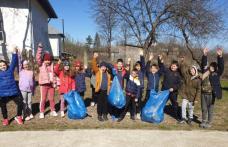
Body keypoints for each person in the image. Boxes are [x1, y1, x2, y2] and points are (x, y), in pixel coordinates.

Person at [200, 48, 224, 128]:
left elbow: (221, 66)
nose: (212, 67)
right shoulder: (205, 71)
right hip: (203, 93)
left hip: (212, 94)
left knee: (210, 109)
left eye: (214, 67)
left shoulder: (217, 73)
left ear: (216, 68)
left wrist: (220, 56)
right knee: (203, 108)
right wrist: (205, 55)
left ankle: (209, 122)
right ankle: (203, 121)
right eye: (211, 66)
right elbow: (203, 63)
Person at [0, 46, 23, 126]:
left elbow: (14, 61)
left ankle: (19, 116)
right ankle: (6, 119)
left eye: (4, 65)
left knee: (20, 103)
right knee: (3, 107)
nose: (3, 66)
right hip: (3, 94)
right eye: (1, 66)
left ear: (6, 65)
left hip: (13, 92)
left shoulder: (10, 69)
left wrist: (14, 52)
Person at [36, 43, 58, 119]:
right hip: (43, 85)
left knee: (51, 98)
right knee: (43, 99)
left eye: (49, 60)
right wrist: (40, 48)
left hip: (51, 85)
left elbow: (55, 75)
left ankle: (53, 110)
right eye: (46, 60)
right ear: (43, 60)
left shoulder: (52, 66)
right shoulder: (41, 65)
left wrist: (55, 83)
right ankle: (41, 112)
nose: (48, 61)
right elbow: (38, 58)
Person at [178, 55, 201, 125]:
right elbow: (182, 71)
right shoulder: (187, 76)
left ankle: (190, 118)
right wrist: (182, 62)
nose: (192, 71)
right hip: (185, 95)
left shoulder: (198, 80)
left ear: (195, 71)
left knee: (191, 109)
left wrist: (196, 99)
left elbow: (199, 90)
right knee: (183, 107)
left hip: (192, 97)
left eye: (193, 70)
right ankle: (183, 118)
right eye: (191, 70)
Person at [158, 55, 182, 120]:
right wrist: (159, 60)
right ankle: (158, 114)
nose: (172, 67)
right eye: (172, 65)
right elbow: (161, 66)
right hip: (165, 91)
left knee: (175, 104)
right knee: (162, 103)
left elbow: (179, 84)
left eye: (174, 66)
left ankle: (177, 116)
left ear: (177, 67)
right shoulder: (167, 70)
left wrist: (173, 88)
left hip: (173, 92)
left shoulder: (178, 74)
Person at [91, 52, 111, 121]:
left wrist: (109, 89)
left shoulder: (108, 74)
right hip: (100, 90)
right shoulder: (98, 72)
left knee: (105, 103)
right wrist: (94, 58)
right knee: (100, 103)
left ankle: (105, 114)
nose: (103, 68)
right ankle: (99, 115)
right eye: (102, 66)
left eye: (104, 67)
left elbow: (109, 83)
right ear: (100, 67)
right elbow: (94, 65)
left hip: (106, 91)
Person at [18, 49, 35, 121]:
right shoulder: (21, 71)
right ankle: (24, 114)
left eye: (27, 64)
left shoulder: (31, 72)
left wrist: (33, 90)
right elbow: (19, 63)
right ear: (22, 65)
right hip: (23, 89)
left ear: (28, 65)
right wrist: (18, 53)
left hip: (30, 90)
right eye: (24, 65)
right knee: (24, 102)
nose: (26, 66)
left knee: (29, 102)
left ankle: (29, 113)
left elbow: (33, 81)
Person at [134, 50, 146, 119]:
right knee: (134, 101)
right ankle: (133, 112)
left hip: (140, 88)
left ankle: (138, 112)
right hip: (134, 89)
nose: (138, 67)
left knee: (139, 101)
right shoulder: (134, 72)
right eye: (136, 66)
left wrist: (141, 56)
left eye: (139, 66)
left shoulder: (142, 72)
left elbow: (143, 64)